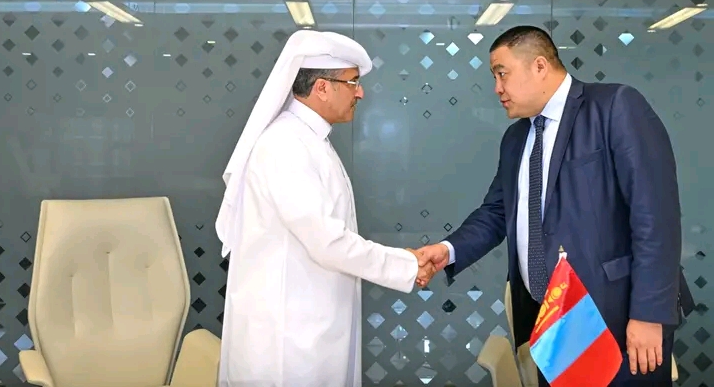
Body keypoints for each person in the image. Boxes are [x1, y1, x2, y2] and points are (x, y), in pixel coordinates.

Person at [416, 25, 693, 386]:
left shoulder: (614, 107)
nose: (497, 88)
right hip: (554, 323)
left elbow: (655, 216)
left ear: (540, 66)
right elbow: (497, 212)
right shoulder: (516, 137)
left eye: (502, 74)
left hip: (618, 317)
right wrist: (447, 250)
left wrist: (649, 314)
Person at [214, 29, 434, 387]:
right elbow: (328, 242)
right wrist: (406, 265)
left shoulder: (309, 140)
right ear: (322, 87)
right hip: (287, 343)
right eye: (353, 82)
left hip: (310, 327)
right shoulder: (285, 146)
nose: (360, 93)